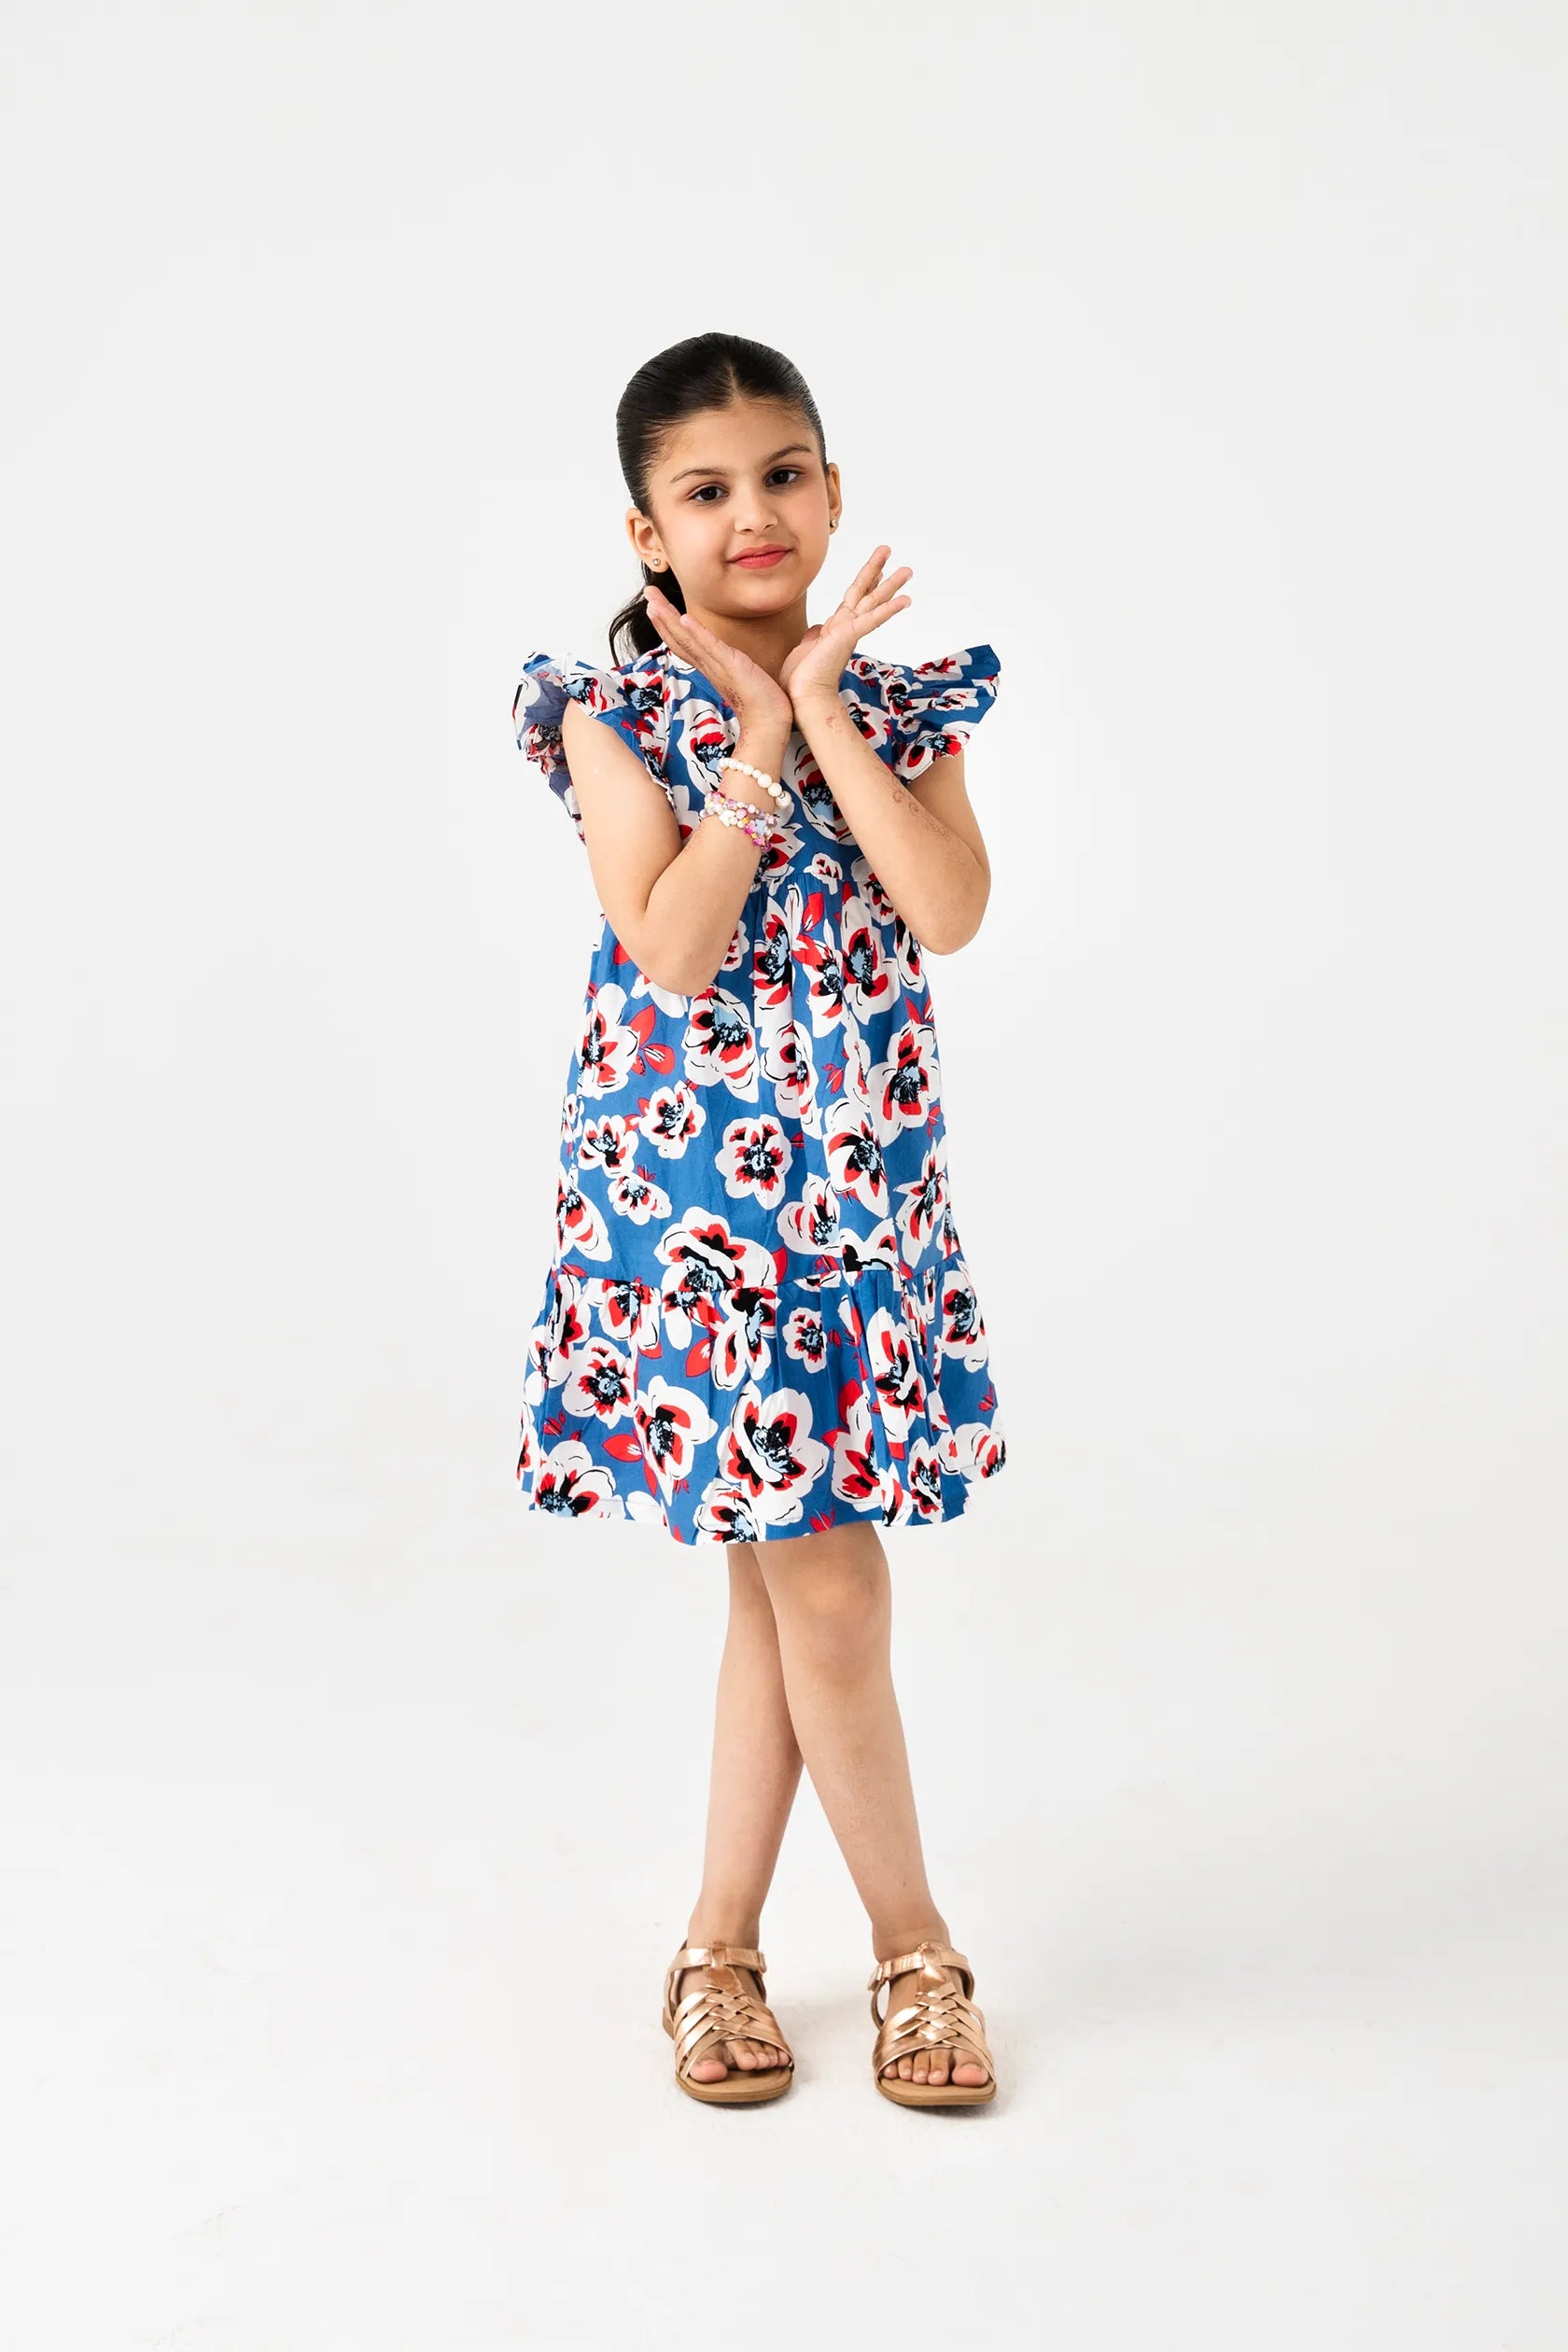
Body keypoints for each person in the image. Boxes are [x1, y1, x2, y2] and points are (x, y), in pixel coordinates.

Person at [511, 332, 1006, 2109]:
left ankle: (717, 1951)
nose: (753, 514)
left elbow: (946, 908)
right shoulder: (608, 709)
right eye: (706, 491)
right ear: (647, 533)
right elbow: (671, 942)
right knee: (831, 1588)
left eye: (783, 474)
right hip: (700, 1202)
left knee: (786, 1591)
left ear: (833, 487)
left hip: (861, 1202)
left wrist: (827, 711)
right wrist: (755, 742)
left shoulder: (908, 701)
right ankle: (915, 1951)